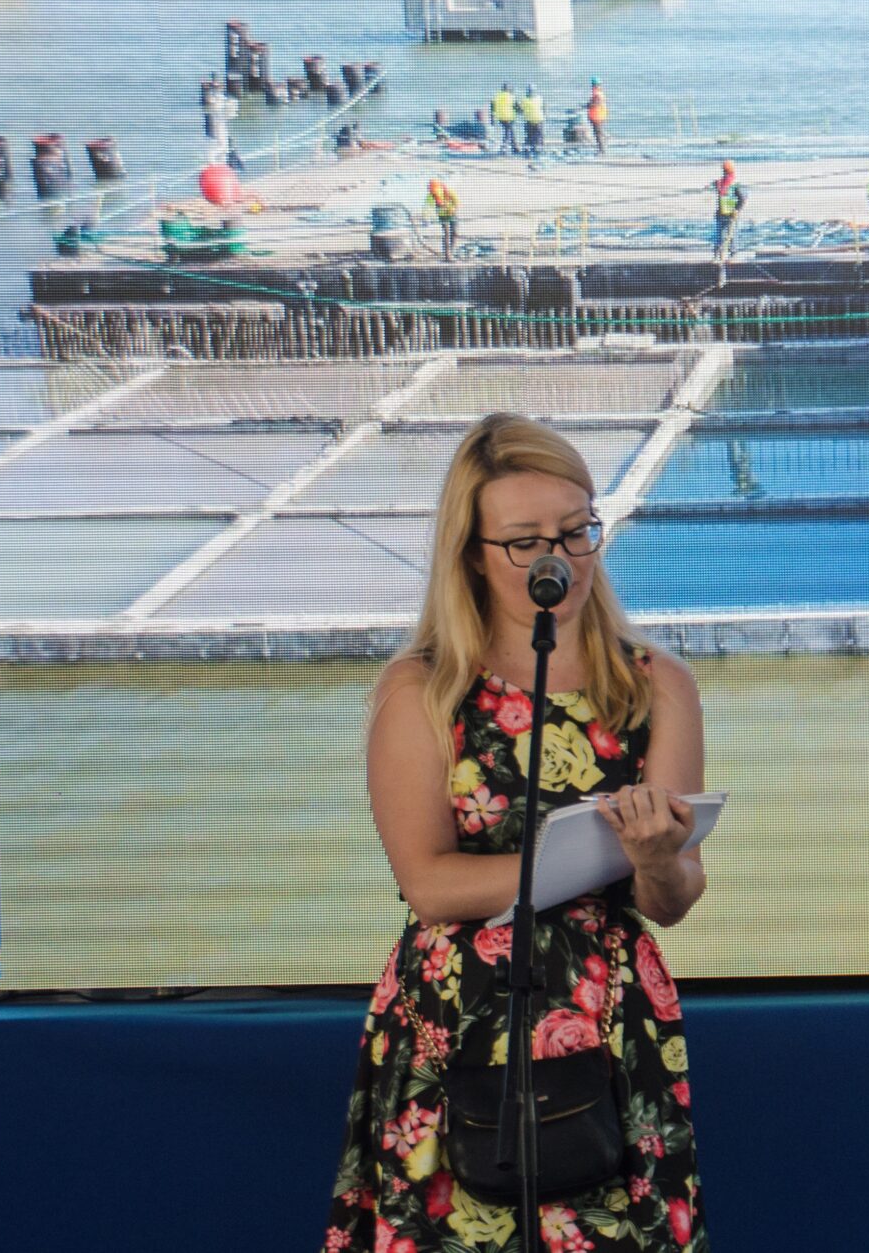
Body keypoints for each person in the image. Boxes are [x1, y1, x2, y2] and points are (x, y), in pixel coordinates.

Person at [320, 412, 711, 1253]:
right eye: (525, 542)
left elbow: (674, 896)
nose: (557, 562)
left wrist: (654, 860)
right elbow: (428, 882)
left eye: (576, 533)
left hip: (609, 1019)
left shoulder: (658, 685)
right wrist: (585, 863)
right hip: (457, 1019)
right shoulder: (422, 690)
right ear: (470, 552)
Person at [710, 161, 745, 261]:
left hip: (731, 214)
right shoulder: (722, 183)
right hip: (722, 213)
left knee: (730, 235)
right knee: (720, 235)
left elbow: (742, 198)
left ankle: (731, 255)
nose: (724, 172)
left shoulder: (734, 184)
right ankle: (718, 255)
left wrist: (736, 210)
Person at [425, 177, 460, 260]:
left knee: (454, 233)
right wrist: (426, 218)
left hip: (452, 214)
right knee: (446, 234)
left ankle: (452, 251)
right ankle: (447, 255)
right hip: (443, 217)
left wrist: (453, 209)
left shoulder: (448, 191)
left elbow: (456, 202)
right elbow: (427, 208)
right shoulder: (431, 196)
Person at [518, 84, 545, 158]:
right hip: (539, 120)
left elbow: (520, 110)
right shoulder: (540, 98)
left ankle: (528, 152)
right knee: (539, 136)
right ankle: (538, 151)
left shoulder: (524, 100)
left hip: (529, 121)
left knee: (529, 136)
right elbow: (543, 108)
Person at [491, 83, 519, 155]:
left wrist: (492, 119)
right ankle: (504, 147)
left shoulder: (497, 96)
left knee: (510, 130)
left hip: (500, 117)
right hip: (509, 117)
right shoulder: (511, 96)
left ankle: (514, 147)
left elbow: (492, 107)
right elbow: (517, 107)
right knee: (508, 132)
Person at [587, 77, 610, 155]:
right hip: (597, 115)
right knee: (598, 132)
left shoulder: (597, 94)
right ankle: (605, 138)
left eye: (593, 84)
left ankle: (602, 150)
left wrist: (588, 105)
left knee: (598, 134)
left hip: (597, 116)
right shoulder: (597, 93)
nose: (593, 86)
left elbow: (595, 103)